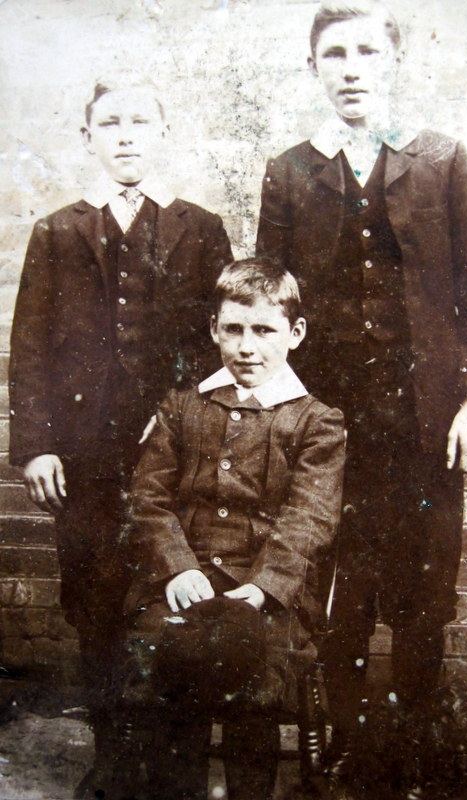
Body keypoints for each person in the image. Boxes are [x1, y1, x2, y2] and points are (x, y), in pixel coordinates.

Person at [256, 2, 467, 797]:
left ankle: (415, 759)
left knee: (423, 595)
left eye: (367, 52)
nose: (352, 67)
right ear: (314, 70)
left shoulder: (439, 159)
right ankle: (346, 760)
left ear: (393, 63)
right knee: (340, 593)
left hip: (425, 424)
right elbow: (268, 300)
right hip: (329, 428)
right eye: (335, 54)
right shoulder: (291, 170)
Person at [8, 74, 232, 798]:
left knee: (174, 587)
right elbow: (32, 345)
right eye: (110, 124)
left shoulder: (200, 228)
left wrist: (181, 418)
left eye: (140, 121)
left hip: (175, 451)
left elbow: (215, 347)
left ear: (162, 133)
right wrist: (38, 443)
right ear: (88, 139)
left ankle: (173, 760)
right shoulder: (59, 230)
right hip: (83, 454)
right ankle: (110, 753)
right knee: (96, 596)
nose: (126, 135)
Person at [115, 258, 345, 800]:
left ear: (294, 334)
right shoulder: (181, 406)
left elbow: (310, 517)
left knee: (254, 666)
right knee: (169, 652)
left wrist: (263, 589)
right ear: (215, 329)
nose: (247, 347)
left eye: (264, 331)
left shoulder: (316, 420)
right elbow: (147, 498)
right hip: (184, 577)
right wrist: (177, 567)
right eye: (234, 329)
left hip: (267, 587)